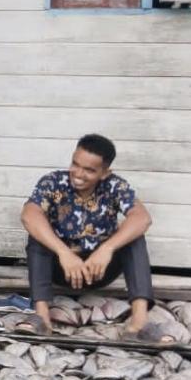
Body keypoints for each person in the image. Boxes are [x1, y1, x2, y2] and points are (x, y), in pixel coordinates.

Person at [21, 134, 154, 337]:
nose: (78, 174)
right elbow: (29, 215)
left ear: (104, 173)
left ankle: (139, 322)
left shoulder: (114, 186)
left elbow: (142, 218)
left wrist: (106, 249)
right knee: (37, 234)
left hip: (99, 270)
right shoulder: (54, 182)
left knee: (134, 236)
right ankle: (42, 318)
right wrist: (64, 253)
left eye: (89, 170)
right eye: (75, 164)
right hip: (61, 269)